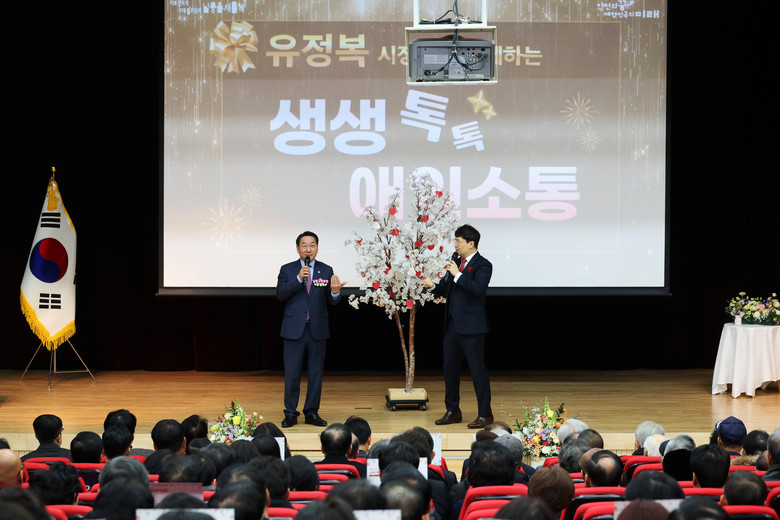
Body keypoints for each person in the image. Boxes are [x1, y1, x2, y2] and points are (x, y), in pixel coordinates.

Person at [422, 224, 493, 429]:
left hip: (472, 327)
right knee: (450, 370)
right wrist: (433, 286)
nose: (455, 245)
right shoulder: (456, 261)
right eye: (455, 241)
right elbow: (446, 288)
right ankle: (453, 410)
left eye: (458, 241)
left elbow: (478, 289)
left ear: (471, 243)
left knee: (477, 371)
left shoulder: (483, 265)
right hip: (452, 325)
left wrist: (458, 274)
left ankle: (485, 414)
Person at [277, 230, 346, 428]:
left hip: (317, 330)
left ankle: (311, 412)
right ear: (298, 248)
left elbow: (331, 301)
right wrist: (298, 279)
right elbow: (281, 294)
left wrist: (335, 293)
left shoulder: (326, 269)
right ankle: (290, 413)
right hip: (294, 330)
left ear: (317, 248)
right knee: (292, 374)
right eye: (304, 245)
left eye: (312, 245)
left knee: (315, 374)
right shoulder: (287, 269)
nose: (308, 249)